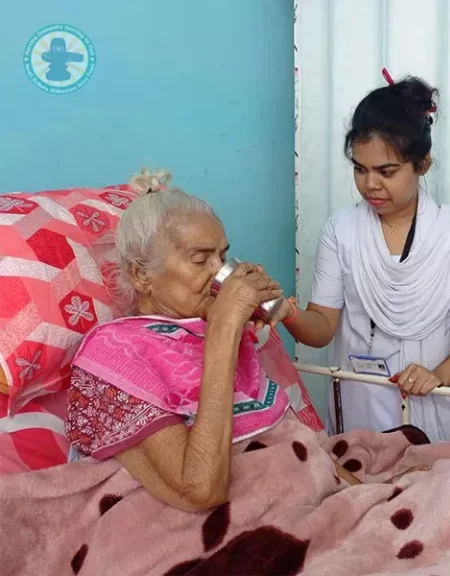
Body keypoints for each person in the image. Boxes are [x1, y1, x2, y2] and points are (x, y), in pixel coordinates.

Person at [65, 169, 354, 512]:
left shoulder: (211, 330)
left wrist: (370, 491)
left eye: (222, 257)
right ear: (141, 275)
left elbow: (291, 441)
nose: (219, 273)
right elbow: (200, 490)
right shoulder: (114, 352)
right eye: (201, 259)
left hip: (301, 495)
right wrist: (225, 327)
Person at [279, 74, 450, 442]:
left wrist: (439, 374)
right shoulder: (342, 230)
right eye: (360, 170)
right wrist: (288, 314)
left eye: (387, 171)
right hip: (357, 398)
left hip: (433, 402)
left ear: (422, 164)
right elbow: (322, 327)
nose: (371, 185)